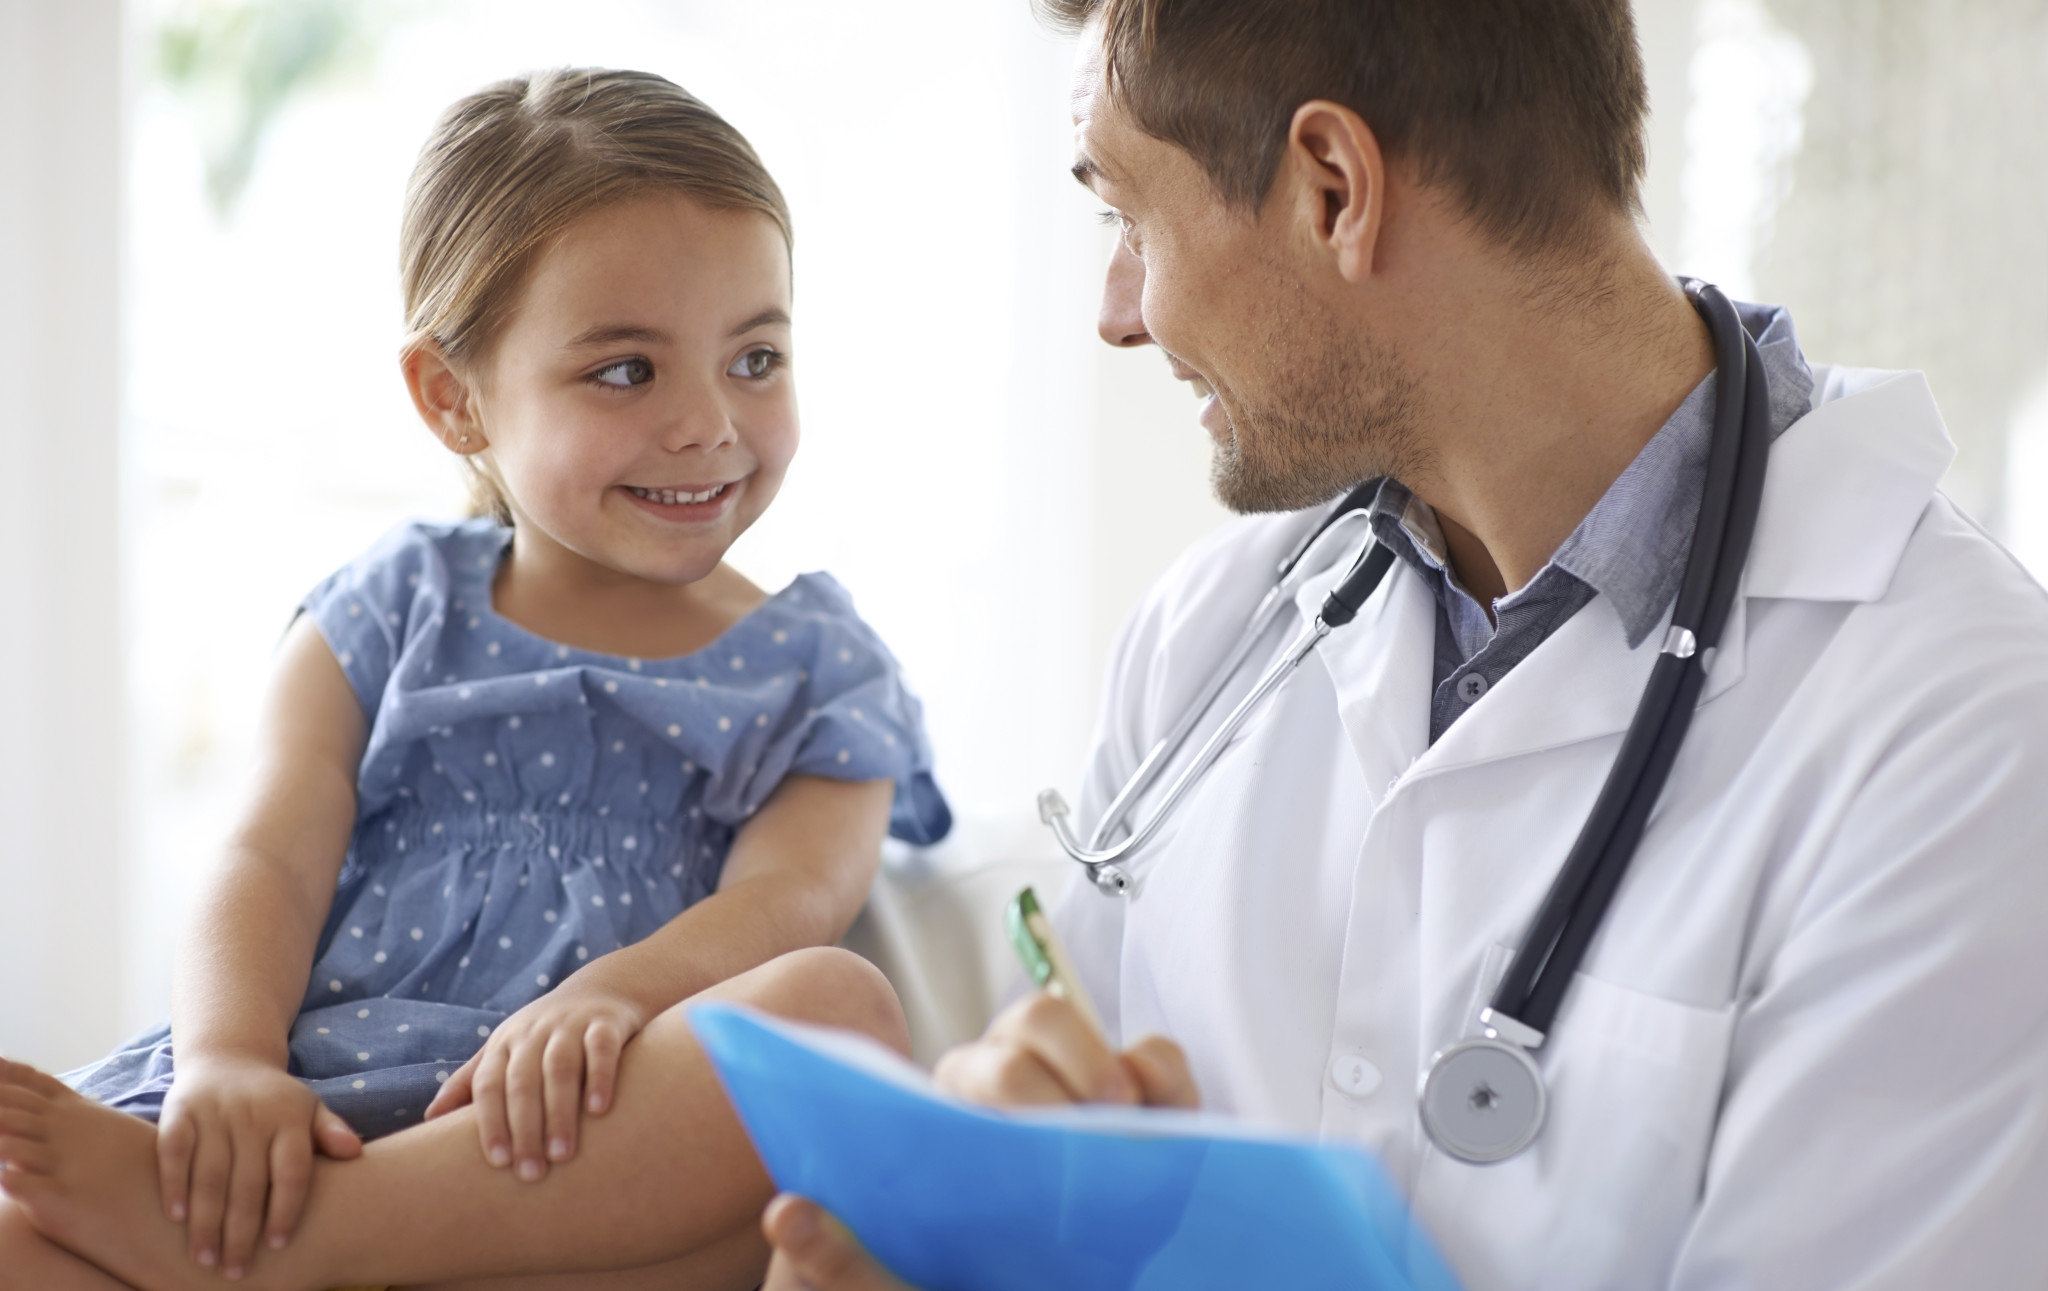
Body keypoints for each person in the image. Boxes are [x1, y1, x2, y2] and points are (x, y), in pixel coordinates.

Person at [758, 0, 2048, 1287]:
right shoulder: (1212, 638)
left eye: (1127, 217)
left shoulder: (1963, 737)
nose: (1117, 311)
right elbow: (1066, 1174)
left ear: (1332, 189)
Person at [0, 67, 949, 1290]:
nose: (711, 421)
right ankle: (283, 1239)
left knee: (839, 1014)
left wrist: (614, 993)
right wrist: (228, 1063)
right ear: (453, 398)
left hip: (565, 1142)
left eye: (756, 357)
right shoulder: (393, 604)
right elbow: (268, 856)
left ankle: (294, 1258)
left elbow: (792, 901)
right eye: (625, 371)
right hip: (319, 1106)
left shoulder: (819, 667)